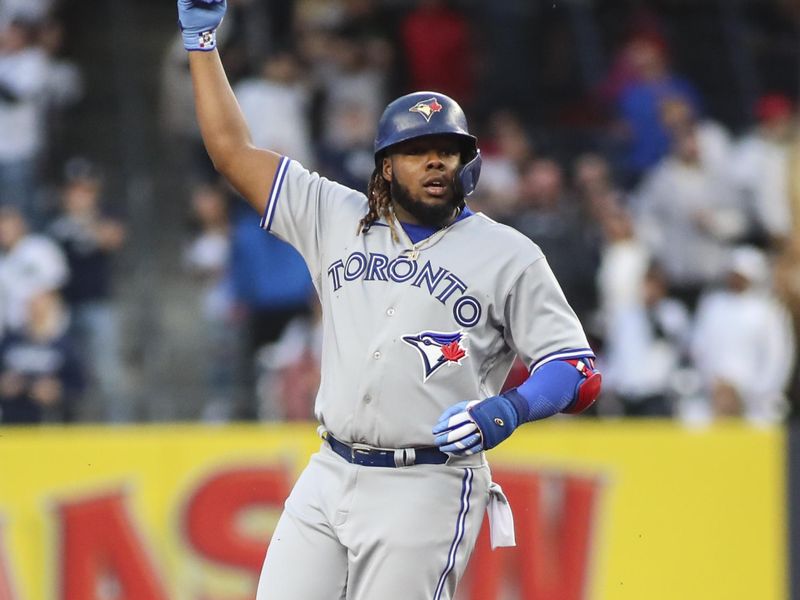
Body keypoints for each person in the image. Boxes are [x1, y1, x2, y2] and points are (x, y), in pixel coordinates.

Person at [177, 1, 601, 598]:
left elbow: (576, 371)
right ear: (384, 168)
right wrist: (201, 44)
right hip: (330, 469)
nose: (434, 160)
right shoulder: (334, 214)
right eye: (416, 149)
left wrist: (506, 411)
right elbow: (231, 151)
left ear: (466, 164)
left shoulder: (509, 254)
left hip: (425, 483)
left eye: (447, 150)